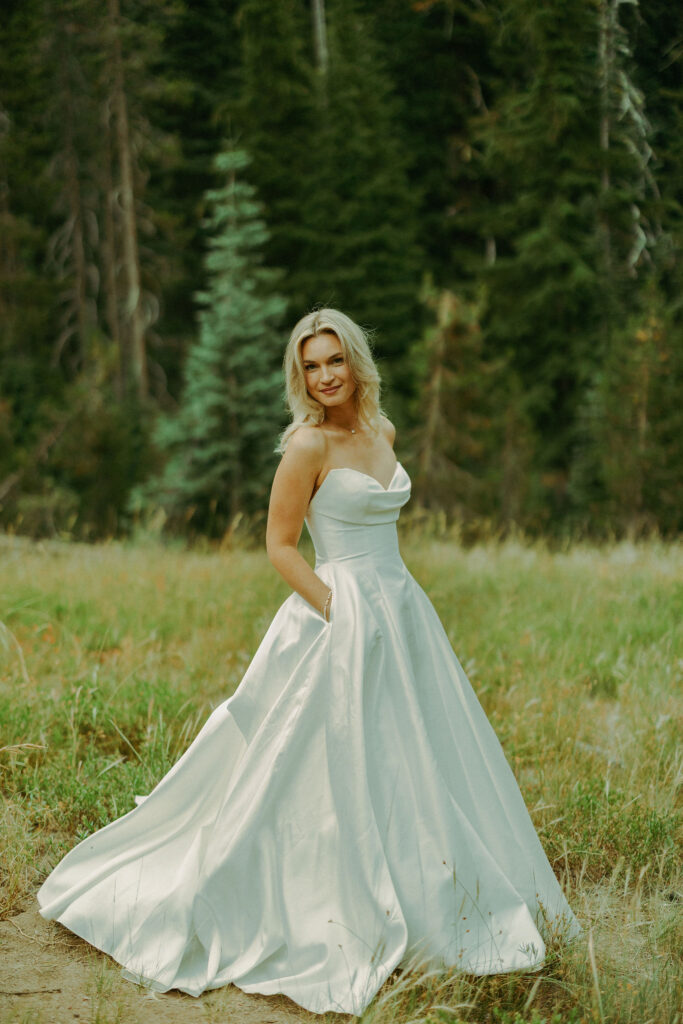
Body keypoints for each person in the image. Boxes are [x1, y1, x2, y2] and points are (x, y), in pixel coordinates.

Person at [38, 308, 580, 1016]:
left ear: (355, 362)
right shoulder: (306, 446)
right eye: (311, 366)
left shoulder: (382, 432)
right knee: (320, 760)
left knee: (417, 751)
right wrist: (337, 609)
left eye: (334, 361)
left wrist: (380, 607)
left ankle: (436, 883)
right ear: (300, 376)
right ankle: (323, 896)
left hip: (402, 608)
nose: (325, 376)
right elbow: (279, 545)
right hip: (338, 612)